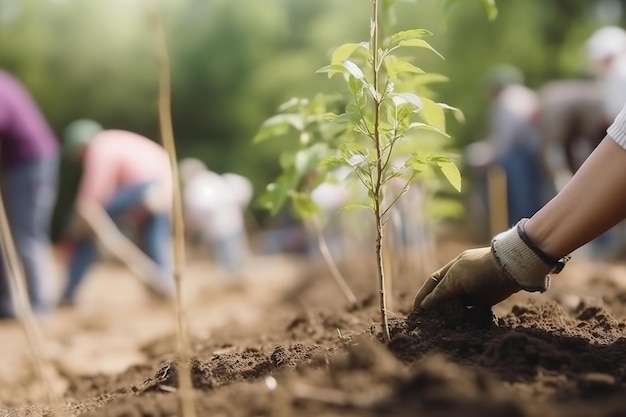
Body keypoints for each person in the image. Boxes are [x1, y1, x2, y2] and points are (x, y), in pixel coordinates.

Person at [413, 101, 626, 310]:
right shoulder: (559, 112)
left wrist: (516, 255)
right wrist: (518, 254)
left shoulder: (568, 110)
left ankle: (603, 248)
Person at [58, 120, 174, 305]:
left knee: (86, 222)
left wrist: (79, 219)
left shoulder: (100, 146)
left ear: (81, 145)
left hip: (143, 190)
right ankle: (166, 289)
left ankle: (70, 293)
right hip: (163, 193)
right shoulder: (119, 142)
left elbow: (95, 192)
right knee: (154, 241)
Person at [0, 69, 59, 318]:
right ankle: (7, 305)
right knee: (6, 237)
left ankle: (39, 307)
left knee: (28, 234)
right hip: (14, 165)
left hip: (31, 164)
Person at [179, 158, 253, 282]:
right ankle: (236, 283)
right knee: (235, 258)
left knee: (226, 261)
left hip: (217, 228)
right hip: (233, 224)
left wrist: (190, 228)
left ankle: (232, 285)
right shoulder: (213, 179)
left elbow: (195, 211)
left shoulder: (195, 187)